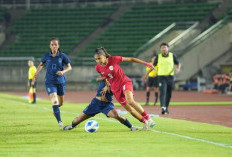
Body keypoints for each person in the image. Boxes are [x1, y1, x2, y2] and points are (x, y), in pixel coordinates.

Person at [94, 47, 155, 130]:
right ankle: (145, 122)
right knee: (130, 110)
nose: (98, 61)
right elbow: (104, 77)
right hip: (115, 89)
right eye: (96, 59)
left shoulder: (114, 59)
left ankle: (149, 119)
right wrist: (107, 85)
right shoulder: (98, 67)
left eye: (99, 58)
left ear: (104, 56)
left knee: (130, 101)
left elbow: (131, 59)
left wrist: (147, 64)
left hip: (124, 82)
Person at [63, 80, 138, 131]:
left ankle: (131, 127)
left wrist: (110, 85)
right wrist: (107, 84)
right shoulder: (104, 76)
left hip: (106, 105)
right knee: (78, 119)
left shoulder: (116, 83)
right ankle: (72, 126)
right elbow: (99, 78)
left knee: (117, 116)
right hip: (95, 103)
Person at [32, 37, 72, 127]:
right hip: (50, 82)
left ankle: (55, 110)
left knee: (60, 103)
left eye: (55, 45)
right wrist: (36, 74)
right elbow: (41, 65)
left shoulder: (63, 56)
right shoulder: (46, 56)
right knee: (54, 100)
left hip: (61, 82)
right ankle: (60, 122)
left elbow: (70, 67)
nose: (54, 46)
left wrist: (63, 72)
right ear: (50, 46)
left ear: (58, 46)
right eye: (52, 45)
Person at [146, 43, 181, 114]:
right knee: (163, 92)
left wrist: (178, 68)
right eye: (162, 48)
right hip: (161, 77)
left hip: (170, 77)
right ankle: (163, 107)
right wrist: (147, 74)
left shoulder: (172, 55)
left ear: (168, 48)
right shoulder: (158, 57)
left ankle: (166, 107)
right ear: (160, 49)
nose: (164, 49)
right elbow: (153, 66)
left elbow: (178, 63)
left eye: (165, 48)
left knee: (169, 93)